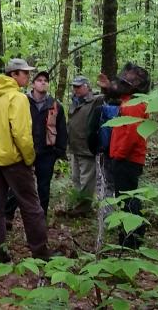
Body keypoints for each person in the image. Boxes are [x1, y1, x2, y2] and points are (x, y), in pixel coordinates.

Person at [0, 58, 50, 263]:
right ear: (14, 75)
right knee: (31, 206)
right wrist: (29, 158)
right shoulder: (17, 98)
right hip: (14, 161)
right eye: (24, 73)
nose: (28, 77)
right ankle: (41, 252)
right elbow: (22, 134)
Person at [97, 63, 151, 248]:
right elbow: (115, 92)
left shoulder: (133, 106)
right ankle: (131, 236)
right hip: (126, 158)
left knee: (128, 200)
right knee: (127, 198)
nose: (122, 83)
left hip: (127, 160)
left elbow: (131, 136)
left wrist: (118, 156)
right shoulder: (128, 101)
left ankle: (131, 239)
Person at [6, 70, 67, 221]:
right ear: (33, 84)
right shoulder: (22, 101)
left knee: (44, 187)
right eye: (39, 80)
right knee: (17, 185)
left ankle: (41, 219)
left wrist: (58, 152)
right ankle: (7, 216)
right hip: (23, 150)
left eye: (45, 80)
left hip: (46, 152)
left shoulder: (55, 105)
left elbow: (62, 130)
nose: (43, 82)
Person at [66, 75, 103, 216]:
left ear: (87, 87)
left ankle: (84, 207)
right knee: (76, 177)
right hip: (75, 146)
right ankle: (79, 203)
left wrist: (106, 86)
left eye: (79, 86)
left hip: (87, 147)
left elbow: (109, 97)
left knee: (87, 179)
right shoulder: (74, 102)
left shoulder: (95, 100)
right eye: (74, 86)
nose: (76, 89)